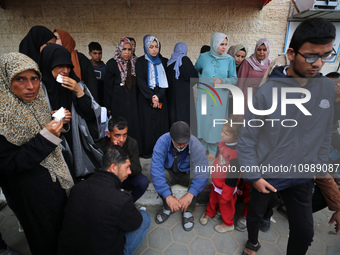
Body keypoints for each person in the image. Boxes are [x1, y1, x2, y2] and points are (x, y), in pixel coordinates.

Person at [237, 18, 336, 255]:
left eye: (326, 55)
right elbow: (247, 138)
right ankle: (252, 243)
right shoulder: (267, 93)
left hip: (302, 176)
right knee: (255, 215)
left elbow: (324, 134)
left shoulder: (326, 88)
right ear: (291, 53)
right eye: (311, 56)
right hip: (268, 173)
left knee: (304, 233)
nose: (319, 64)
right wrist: (254, 176)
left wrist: (320, 169)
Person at [0, 52, 74, 255]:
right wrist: (45, 138)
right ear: (6, 80)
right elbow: (8, 164)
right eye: (20, 79)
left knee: (65, 234)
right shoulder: (2, 118)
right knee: (46, 241)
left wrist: (57, 124)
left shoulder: (37, 101)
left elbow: (40, 130)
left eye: (34, 78)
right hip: (32, 195)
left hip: (57, 183)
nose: (31, 86)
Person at [57, 145, 151, 255]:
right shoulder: (121, 199)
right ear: (113, 167)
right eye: (127, 167)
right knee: (144, 217)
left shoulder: (77, 188)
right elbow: (135, 223)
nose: (130, 172)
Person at [38, 44, 102, 180]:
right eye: (60, 66)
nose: (65, 71)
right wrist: (55, 118)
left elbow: (90, 115)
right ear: (49, 63)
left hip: (76, 140)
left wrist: (79, 92)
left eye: (68, 66)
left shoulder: (76, 84)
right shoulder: (38, 89)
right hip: (50, 146)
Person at [151, 121, 209, 231]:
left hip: (187, 174)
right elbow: (156, 169)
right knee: (161, 175)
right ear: (171, 138)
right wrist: (167, 196)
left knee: (198, 178)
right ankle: (167, 207)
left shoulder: (195, 144)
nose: (182, 146)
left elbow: (203, 171)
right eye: (178, 143)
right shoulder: (162, 141)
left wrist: (190, 194)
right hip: (170, 172)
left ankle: (187, 210)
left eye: (185, 143)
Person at [195, 32, 237, 160]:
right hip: (204, 94)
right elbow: (196, 69)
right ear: (214, 43)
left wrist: (223, 81)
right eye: (220, 44)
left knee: (216, 122)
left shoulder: (229, 60)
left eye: (225, 44)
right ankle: (203, 147)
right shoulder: (203, 57)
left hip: (220, 95)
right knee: (203, 120)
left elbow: (234, 78)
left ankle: (213, 148)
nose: (223, 47)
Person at [200, 116, 243, 233]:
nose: (222, 134)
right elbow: (219, 159)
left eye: (226, 133)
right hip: (216, 183)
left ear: (236, 137)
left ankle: (228, 223)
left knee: (226, 206)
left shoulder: (236, 154)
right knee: (212, 199)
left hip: (226, 188)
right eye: (222, 131)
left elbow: (233, 176)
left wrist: (226, 194)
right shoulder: (222, 144)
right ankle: (210, 212)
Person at [95, 117, 149, 202]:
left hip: (125, 178)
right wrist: (112, 151)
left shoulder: (132, 143)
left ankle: (128, 203)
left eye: (124, 135)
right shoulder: (100, 145)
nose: (121, 139)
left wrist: (122, 153)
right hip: (108, 181)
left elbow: (137, 169)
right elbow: (99, 169)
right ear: (108, 134)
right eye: (117, 135)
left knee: (142, 182)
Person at [136, 35, 169, 158]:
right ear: (146, 47)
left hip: (161, 97)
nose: (154, 50)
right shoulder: (140, 62)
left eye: (156, 47)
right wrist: (151, 96)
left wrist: (159, 96)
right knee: (147, 125)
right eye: (151, 47)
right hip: (145, 98)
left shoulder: (163, 61)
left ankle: (161, 151)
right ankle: (148, 151)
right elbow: (140, 81)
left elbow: (165, 82)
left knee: (160, 125)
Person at [104, 38, 141, 146]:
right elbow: (107, 88)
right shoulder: (112, 64)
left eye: (129, 49)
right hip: (118, 103)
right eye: (124, 49)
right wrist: (108, 106)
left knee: (133, 126)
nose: (127, 52)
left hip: (132, 102)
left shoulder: (135, 63)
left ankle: (133, 150)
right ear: (119, 49)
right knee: (119, 127)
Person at [53, 29, 98, 102]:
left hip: (80, 100)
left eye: (57, 38)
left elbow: (91, 82)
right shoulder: (52, 58)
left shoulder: (80, 58)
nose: (54, 41)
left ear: (65, 40)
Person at [166, 42, 198, 127]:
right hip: (185, 98)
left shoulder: (169, 63)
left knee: (175, 120)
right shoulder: (185, 60)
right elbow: (194, 77)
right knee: (185, 120)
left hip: (172, 97)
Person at [236, 38, 271, 110]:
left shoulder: (270, 63)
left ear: (268, 51)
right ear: (255, 50)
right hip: (247, 97)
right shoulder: (247, 62)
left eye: (264, 50)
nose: (261, 52)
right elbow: (240, 82)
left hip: (262, 97)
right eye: (259, 49)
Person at [88, 42, 106, 106]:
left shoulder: (105, 68)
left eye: (99, 53)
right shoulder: (86, 66)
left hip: (101, 100)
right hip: (88, 98)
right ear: (90, 53)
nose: (97, 56)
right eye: (95, 53)